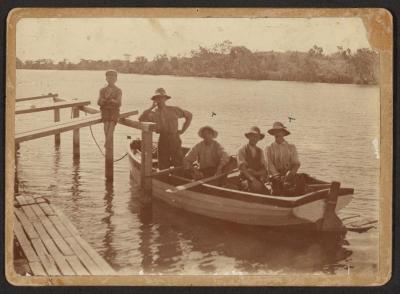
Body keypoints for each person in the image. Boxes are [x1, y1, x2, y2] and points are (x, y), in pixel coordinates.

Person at [139, 88, 192, 170]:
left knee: (178, 161)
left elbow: (189, 115)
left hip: (175, 138)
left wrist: (182, 130)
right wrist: (151, 107)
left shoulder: (174, 109)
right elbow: (141, 119)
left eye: (162, 97)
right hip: (163, 138)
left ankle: (178, 180)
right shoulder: (153, 113)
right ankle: (164, 179)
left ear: (165, 99)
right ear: (155, 100)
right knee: (163, 163)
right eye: (157, 98)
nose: (160, 99)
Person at [265, 121, 305, 196]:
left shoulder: (291, 147)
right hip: (275, 178)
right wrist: (277, 176)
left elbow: (296, 164)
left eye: (279, 131)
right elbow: (269, 165)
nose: (277, 134)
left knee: (301, 182)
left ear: (283, 133)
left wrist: (291, 172)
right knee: (278, 190)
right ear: (273, 134)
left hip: (289, 175)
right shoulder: (269, 148)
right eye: (275, 132)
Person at [237, 126, 267, 193]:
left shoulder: (260, 151)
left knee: (267, 193)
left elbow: (264, 170)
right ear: (249, 137)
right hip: (244, 179)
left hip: (257, 179)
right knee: (252, 189)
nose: (254, 138)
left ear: (259, 138)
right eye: (252, 136)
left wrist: (256, 173)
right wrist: (253, 180)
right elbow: (243, 168)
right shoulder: (242, 150)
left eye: (257, 137)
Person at [97, 70, 122, 148]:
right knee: (106, 123)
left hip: (114, 110)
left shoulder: (118, 90)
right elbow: (98, 102)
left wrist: (112, 100)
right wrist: (103, 100)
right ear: (106, 79)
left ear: (116, 79)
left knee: (112, 123)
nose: (111, 79)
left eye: (113, 77)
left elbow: (119, 103)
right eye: (109, 77)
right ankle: (107, 140)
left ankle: (107, 141)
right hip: (105, 109)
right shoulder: (102, 90)